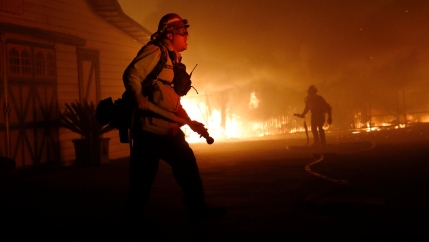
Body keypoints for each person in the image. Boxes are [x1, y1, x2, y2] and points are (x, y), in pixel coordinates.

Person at [121, 13, 227, 228]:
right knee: (143, 179)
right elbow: (132, 73)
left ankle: (198, 210)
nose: (187, 37)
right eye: (183, 33)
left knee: (188, 168)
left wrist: (189, 121)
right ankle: (132, 221)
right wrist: (138, 94)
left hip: (169, 129)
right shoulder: (154, 51)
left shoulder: (174, 58)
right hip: (149, 130)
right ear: (169, 34)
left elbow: (172, 100)